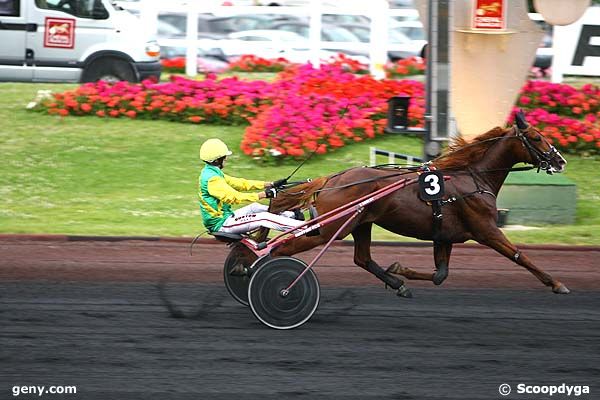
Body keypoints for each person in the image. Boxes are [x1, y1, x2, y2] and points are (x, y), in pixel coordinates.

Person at [198, 138, 304, 235]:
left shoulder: (211, 172)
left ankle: (290, 216)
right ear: (217, 160)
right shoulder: (212, 179)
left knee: (255, 207)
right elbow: (235, 198)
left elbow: (240, 184)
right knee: (264, 218)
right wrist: (264, 195)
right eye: (224, 157)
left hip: (227, 216)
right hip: (222, 224)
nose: (226, 159)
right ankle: (303, 228)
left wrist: (271, 184)